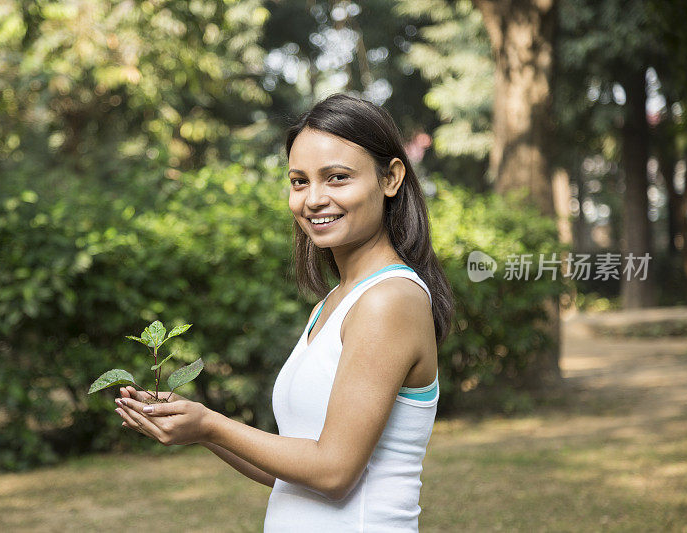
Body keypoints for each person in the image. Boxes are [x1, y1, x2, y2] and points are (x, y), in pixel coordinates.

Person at [113, 93, 455, 532]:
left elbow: (333, 472)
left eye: (337, 178)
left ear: (390, 178)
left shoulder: (389, 300)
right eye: (299, 181)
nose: (313, 199)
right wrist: (197, 428)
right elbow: (293, 474)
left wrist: (212, 424)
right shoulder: (334, 303)